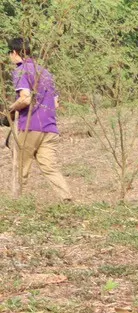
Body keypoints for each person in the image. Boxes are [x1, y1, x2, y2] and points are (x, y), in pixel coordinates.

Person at [6, 37, 73, 201]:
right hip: (50, 128)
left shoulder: (21, 70)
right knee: (50, 167)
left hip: (30, 127)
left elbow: (26, 98)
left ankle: (15, 204)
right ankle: (66, 199)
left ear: (14, 52)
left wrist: (10, 111)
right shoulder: (45, 72)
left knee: (19, 167)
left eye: (9, 53)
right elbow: (55, 103)